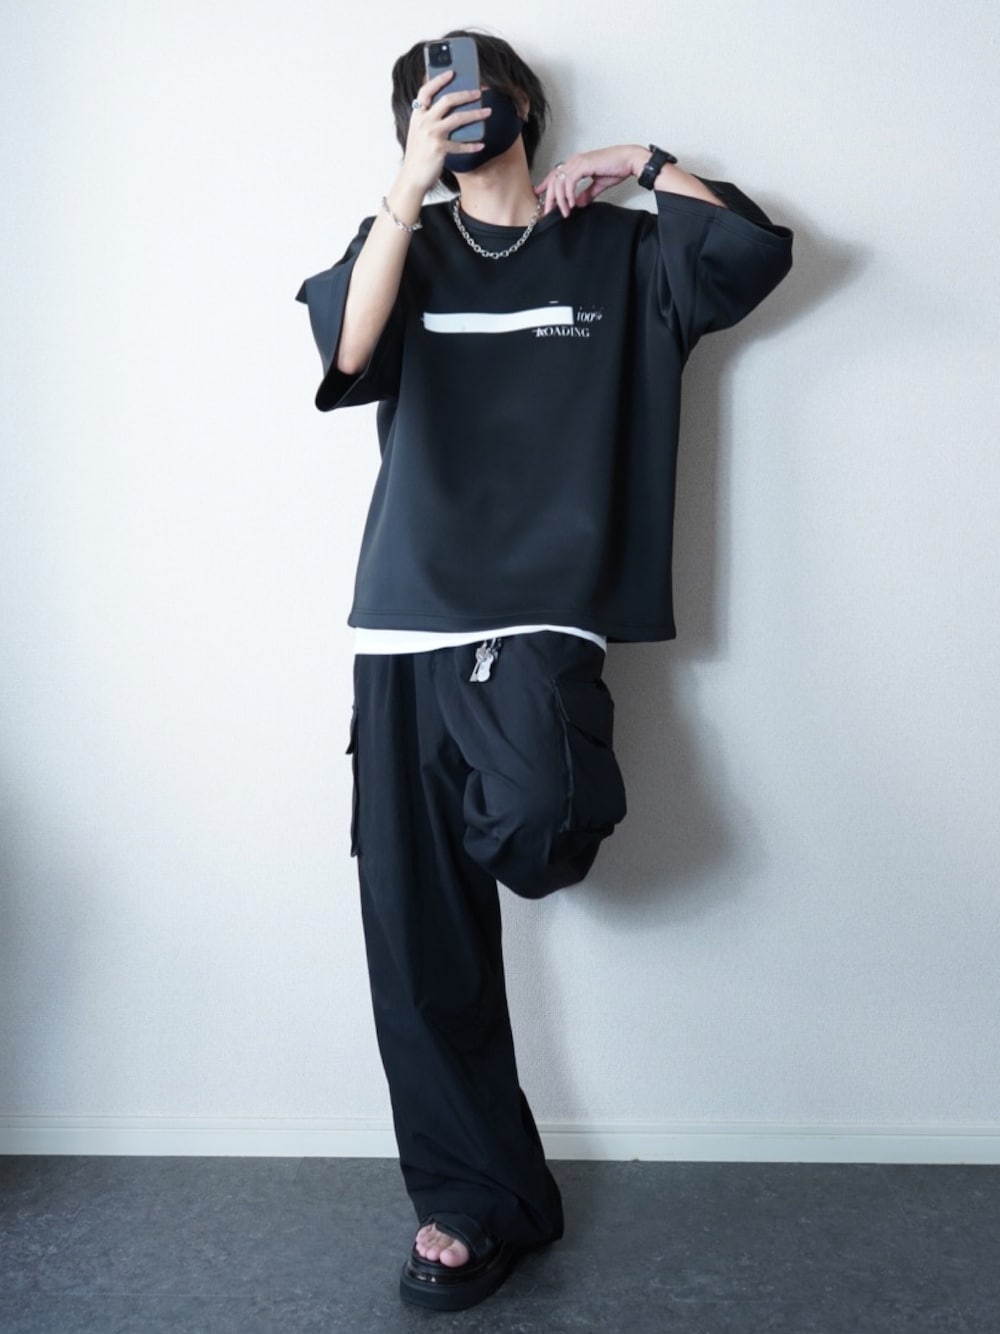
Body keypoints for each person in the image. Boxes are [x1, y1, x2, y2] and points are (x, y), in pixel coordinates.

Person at [295, 28, 794, 1313]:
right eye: (428, 102)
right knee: (419, 940)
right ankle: (475, 1202)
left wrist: (645, 162)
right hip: (402, 624)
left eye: (473, 90)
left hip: (540, 619)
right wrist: (404, 192)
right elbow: (344, 356)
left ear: (520, 103)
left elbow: (752, 254)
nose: (457, 109)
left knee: (538, 820)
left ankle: (501, 834)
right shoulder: (400, 246)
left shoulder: (621, 252)